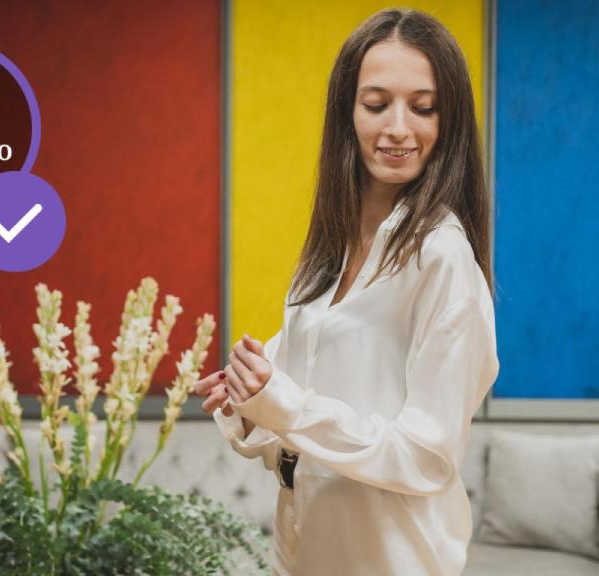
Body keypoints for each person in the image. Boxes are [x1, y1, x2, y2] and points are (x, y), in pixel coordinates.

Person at [192, 8, 499, 575]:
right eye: (377, 104)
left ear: (448, 120)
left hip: (390, 560)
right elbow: (292, 426)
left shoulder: (442, 257)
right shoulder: (328, 254)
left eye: (423, 107)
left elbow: (426, 458)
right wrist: (249, 403)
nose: (399, 128)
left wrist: (283, 403)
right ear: (347, 113)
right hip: (303, 545)